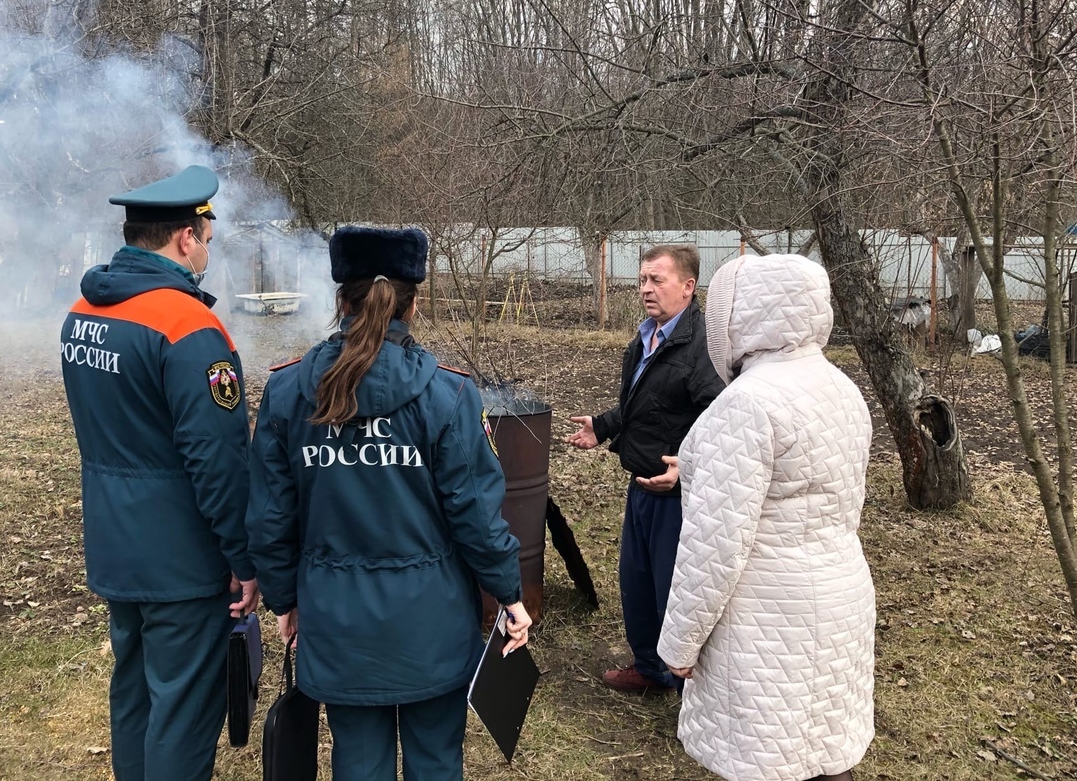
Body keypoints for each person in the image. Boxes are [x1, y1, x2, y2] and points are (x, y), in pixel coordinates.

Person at [246, 225, 532, 781]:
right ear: (414, 303)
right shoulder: (449, 394)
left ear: (340, 299)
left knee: (358, 761)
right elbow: (474, 514)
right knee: (435, 760)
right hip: (433, 623)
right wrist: (508, 594)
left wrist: (285, 600)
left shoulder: (286, 391)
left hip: (335, 617)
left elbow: (271, 515)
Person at [59, 165, 258, 781]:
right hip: (181, 562)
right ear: (183, 238)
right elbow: (218, 461)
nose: (207, 249)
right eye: (206, 234)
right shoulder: (188, 325)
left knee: (135, 696)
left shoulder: (82, 311)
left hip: (116, 546)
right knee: (181, 710)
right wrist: (244, 560)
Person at [657, 254, 875, 781]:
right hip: (841, 598)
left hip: (767, 615)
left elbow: (715, 546)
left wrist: (679, 643)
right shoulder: (842, 390)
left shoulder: (746, 404)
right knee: (823, 752)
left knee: (767, 757)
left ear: (743, 318)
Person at [566, 244, 723, 692]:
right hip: (641, 485)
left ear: (688, 287)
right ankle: (649, 668)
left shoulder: (701, 347)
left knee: (673, 594)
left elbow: (720, 419)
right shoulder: (648, 336)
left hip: (678, 495)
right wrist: (604, 426)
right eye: (642, 280)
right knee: (637, 584)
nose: (646, 289)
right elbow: (644, 405)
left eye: (657, 280)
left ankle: (687, 685)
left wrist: (688, 467)